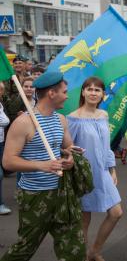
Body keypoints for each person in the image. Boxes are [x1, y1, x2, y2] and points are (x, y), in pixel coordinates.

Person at [0, 71, 85, 261]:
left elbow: (68, 148)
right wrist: (42, 165)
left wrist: (70, 157)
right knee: (24, 248)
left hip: (63, 194)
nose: (68, 95)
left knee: (74, 249)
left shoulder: (61, 119)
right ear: (51, 93)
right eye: (64, 91)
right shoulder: (23, 123)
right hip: (35, 196)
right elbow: (8, 161)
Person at [67, 76, 122, 261]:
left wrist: (112, 168)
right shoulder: (73, 118)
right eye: (89, 89)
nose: (93, 93)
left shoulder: (103, 115)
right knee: (84, 218)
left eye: (97, 90)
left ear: (102, 94)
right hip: (83, 175)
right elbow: (67, 148)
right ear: (82, 92)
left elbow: (107, 146)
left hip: (103, 171)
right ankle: (83, 255)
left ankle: (94, 250)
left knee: (116, 213)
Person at [0, 82, 11, 215]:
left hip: (1, 142)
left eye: (1, 90)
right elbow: (4, 121)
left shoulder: (1, 104)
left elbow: (5, 120)